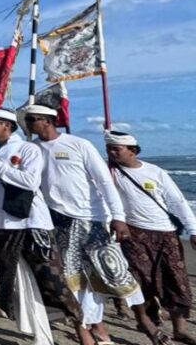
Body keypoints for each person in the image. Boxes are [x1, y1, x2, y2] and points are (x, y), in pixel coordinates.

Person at [27, 104, 154, 345]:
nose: (29, 125)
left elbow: (104, 182)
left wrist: (118, 217)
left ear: (47, 121)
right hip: (58, 221)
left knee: (112, 274)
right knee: (73, 279)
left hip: (91, 219)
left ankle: (142, 320)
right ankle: (86, 329)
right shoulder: (31, 149)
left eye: (32, 119)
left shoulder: (78, 145)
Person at [0, 107, 80, 345]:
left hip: (32, 223)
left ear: (6, 125)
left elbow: (29, 181)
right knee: (14, 280)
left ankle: (81, 324)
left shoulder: (28, 149)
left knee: (51, 279)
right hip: (4, 224)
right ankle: (39, 332)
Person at [106, 130, 196, 345]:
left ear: (133, 151)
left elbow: (177, 202)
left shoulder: (155, 172)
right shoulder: (109, 172)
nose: (111, 152)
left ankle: (179, 329)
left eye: (116, 149)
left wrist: (193, 230)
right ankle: (147, 323)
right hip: (133, 234)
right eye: (109, 149)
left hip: (166, 233)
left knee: (176, 280)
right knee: (138, 281)